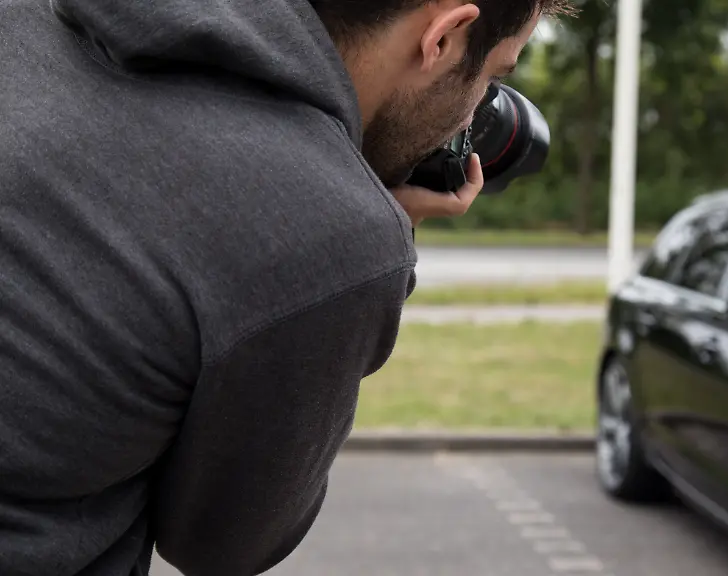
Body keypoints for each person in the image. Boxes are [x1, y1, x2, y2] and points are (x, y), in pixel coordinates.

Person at [0, 0, 573, 574]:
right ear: (443, 37)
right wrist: (379, 235)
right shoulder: (331, 234)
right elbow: (223, 546)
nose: (476, 117)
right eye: (494, 76)